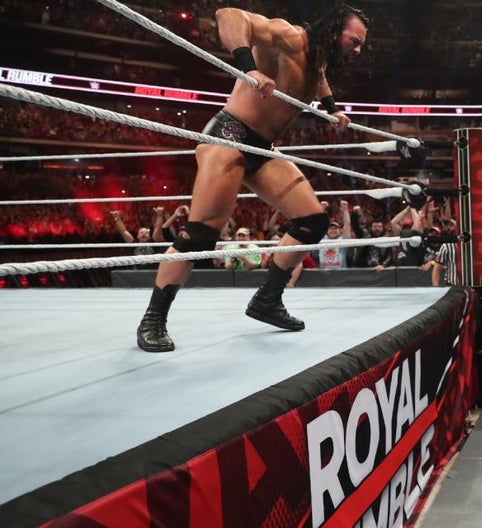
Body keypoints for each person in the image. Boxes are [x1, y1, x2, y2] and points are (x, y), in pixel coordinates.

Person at [135, 5, 369, 352]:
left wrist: (332, 107)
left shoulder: (318, 58)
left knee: (312, 220)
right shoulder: (290, 37)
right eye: (354, 40)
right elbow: (229, 15)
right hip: (230, 135)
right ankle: (153, 320)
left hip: (262, 147)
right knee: (200, 235)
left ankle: (267, 300)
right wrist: (250, 69)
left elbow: (317, 78)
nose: (358, 49)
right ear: (335, 31)